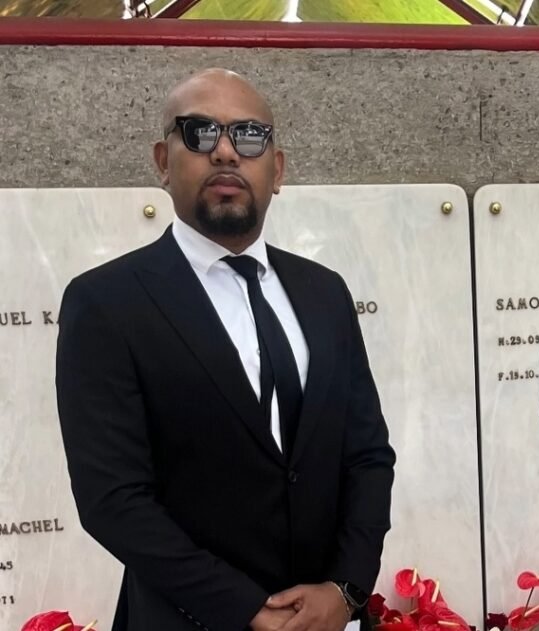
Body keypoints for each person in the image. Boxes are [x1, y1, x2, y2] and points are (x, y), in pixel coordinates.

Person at [55, 69, 396, 631]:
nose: (226, 152)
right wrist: (245, 609)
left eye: (249, 135)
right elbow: (112, 499)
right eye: (200, 132)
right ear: (163, 162)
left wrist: (346, 589)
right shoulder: (106, 302)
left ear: (277, 170)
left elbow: (367, 455)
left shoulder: (324, 292)